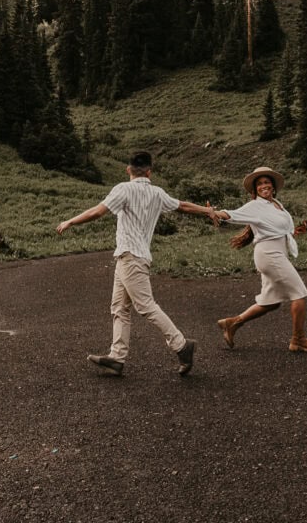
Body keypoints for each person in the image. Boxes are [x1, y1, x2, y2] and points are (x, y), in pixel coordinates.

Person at [56, 150, 217, 376]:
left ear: (128, 169)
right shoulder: (158, 193)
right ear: (149, 171)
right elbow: (183, 206)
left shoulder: (124, 189)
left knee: (145, 306)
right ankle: (117, 357)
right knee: (119, 308)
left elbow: (98, 212)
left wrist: (70, 221)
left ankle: (181, 345)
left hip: (130, 257)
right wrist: (208, 211)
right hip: (131, 257)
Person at [210, 166, 307, 353]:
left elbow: (280, 230)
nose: (264, 185)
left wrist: (302, 230)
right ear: (255, 190)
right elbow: (232, 214)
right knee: (299, 294)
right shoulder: (255, 206)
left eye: (267, 182)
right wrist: (215, 213)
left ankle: (232, 324)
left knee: (270, 302)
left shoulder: (277, 205)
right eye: (260, 183)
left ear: (273, 186)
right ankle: (298, 340)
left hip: (276, 253)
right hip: (269, 254)